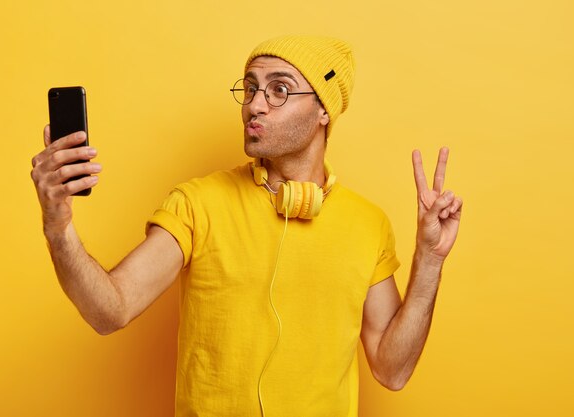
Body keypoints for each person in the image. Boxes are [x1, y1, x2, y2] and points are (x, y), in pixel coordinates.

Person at [31, 35, 463, 417]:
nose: (255, 104)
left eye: (279, 90)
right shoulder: (197, 204)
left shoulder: (368, 225)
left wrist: (430, 260)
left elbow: (392, 370)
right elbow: (110, 310)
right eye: (251, 89)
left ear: (323, 111)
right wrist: (58, 224)